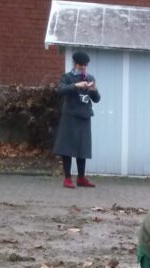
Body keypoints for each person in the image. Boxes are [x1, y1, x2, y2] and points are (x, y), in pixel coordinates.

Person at [53, 51, 100, 189]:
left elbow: (97, 99)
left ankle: (81, 177)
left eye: (85, 65)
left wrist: (94, 90)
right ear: (75, 64)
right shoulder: (67, 77)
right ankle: (67, 178)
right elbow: (60, 90)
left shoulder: (90, 78)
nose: (84, 67)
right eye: (81, 65)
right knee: (67, 148)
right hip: (70, 117)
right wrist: (76, 86)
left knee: (83, 148)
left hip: (84, 117)